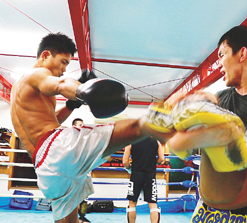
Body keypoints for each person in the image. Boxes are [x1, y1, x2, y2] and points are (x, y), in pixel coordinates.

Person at [10, 32, 173, 223]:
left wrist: (72, 105)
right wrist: (82, 90)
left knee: (70, 221)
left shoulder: (18, 90)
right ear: (45, 55)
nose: (64, 69)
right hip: (58, 149)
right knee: (137, 128)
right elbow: (61, 84)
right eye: (63, 62)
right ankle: (176, 118)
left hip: (44, 166)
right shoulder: (38, 74)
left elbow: (50, 119)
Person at [165, 25, 247, 223]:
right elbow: (180, 145)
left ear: (242, 53)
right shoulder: (219, 99)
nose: (219, 64)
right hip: (207, 212)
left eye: (222, 55)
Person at [123, 137, 164, 223]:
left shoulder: (131, 141)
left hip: (136, 175)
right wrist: (152, 163)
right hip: (150, 175)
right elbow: (161, 158)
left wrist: (129, 168)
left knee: (132, 203)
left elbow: (125, 162)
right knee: (153, 205)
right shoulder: (156, 142)